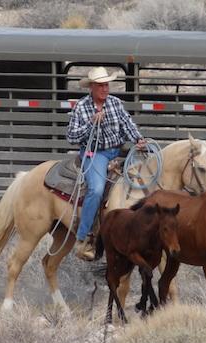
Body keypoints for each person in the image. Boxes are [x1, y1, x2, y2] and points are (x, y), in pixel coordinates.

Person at [66, 67, 146, 261]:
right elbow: (71, 136)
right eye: (100, 85)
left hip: (118, 150)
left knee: (143, 178)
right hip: (96, 153)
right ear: (92, 87)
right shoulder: (81, 107)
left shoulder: (115, 103)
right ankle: (84, 237)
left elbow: (128, 125)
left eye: (106, 85)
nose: (105, 89)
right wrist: (90, 124)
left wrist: (138, 139)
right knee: (96, 189)